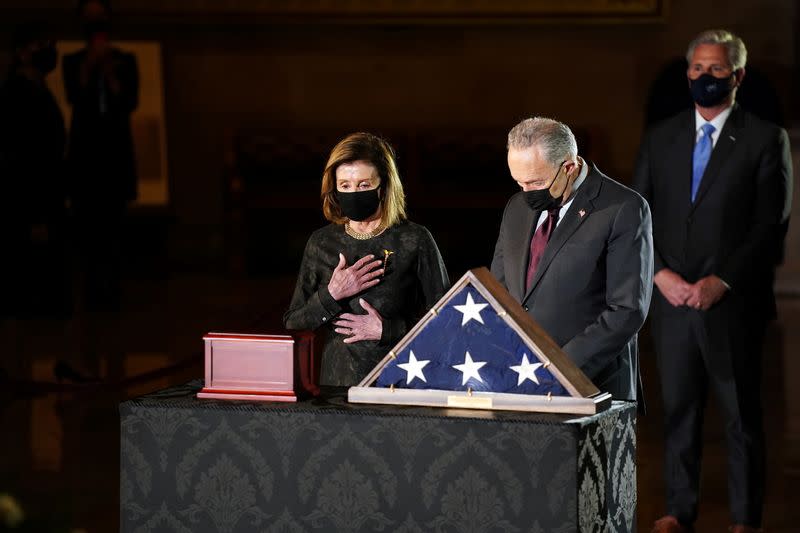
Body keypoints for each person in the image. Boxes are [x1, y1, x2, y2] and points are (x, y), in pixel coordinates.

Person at [633, 30, 792, 533]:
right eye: (697, 68)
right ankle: (679, 511)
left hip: (731, 302)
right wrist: (659, 275)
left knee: (740, 417)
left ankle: (745, 519)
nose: (705, 77)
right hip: (672, 299)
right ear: (687, 73)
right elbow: (638, 216)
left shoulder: (767, 138)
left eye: (716, 69)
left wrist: (721, 280)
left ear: (738, 76)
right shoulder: (661, 137)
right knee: (678, 411)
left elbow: (771, 225)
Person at [491, 117, 653, 402]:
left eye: (536, 182)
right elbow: (499, 290)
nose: (527, 193)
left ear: (569, 166)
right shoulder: (517, 208)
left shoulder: (622, 208)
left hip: (591, 384)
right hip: (519, 380)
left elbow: (627, 310)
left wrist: (558, 369)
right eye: (519, 182)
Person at [284, 132, 450, 386]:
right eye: (345, 186)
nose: (353, 192)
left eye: (363, 185)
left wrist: (387, 330)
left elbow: (448, 321)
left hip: (400, 381)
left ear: (383, 187)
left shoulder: (415, 239)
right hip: (337, 387)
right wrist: (332, 294)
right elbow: (294, 323)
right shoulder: (321, 243)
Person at [63, 0, 138, 311]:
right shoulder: (72, 61)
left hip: (115, 154)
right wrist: (88, 68)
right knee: (87, 226)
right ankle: (91, 292)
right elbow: (73, 97)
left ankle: (115, 292)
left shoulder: (125, 60)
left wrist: (109, 74)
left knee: (114, 226)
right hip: (85, 154)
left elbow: (129, 101)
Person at [0, 23, 68, 318]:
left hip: (45, 194)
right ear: (22, 53)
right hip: (29, 200)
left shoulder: (38, 89)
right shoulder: (16, 93)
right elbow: (23, 157)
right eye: (38, 45)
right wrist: (36, 214)